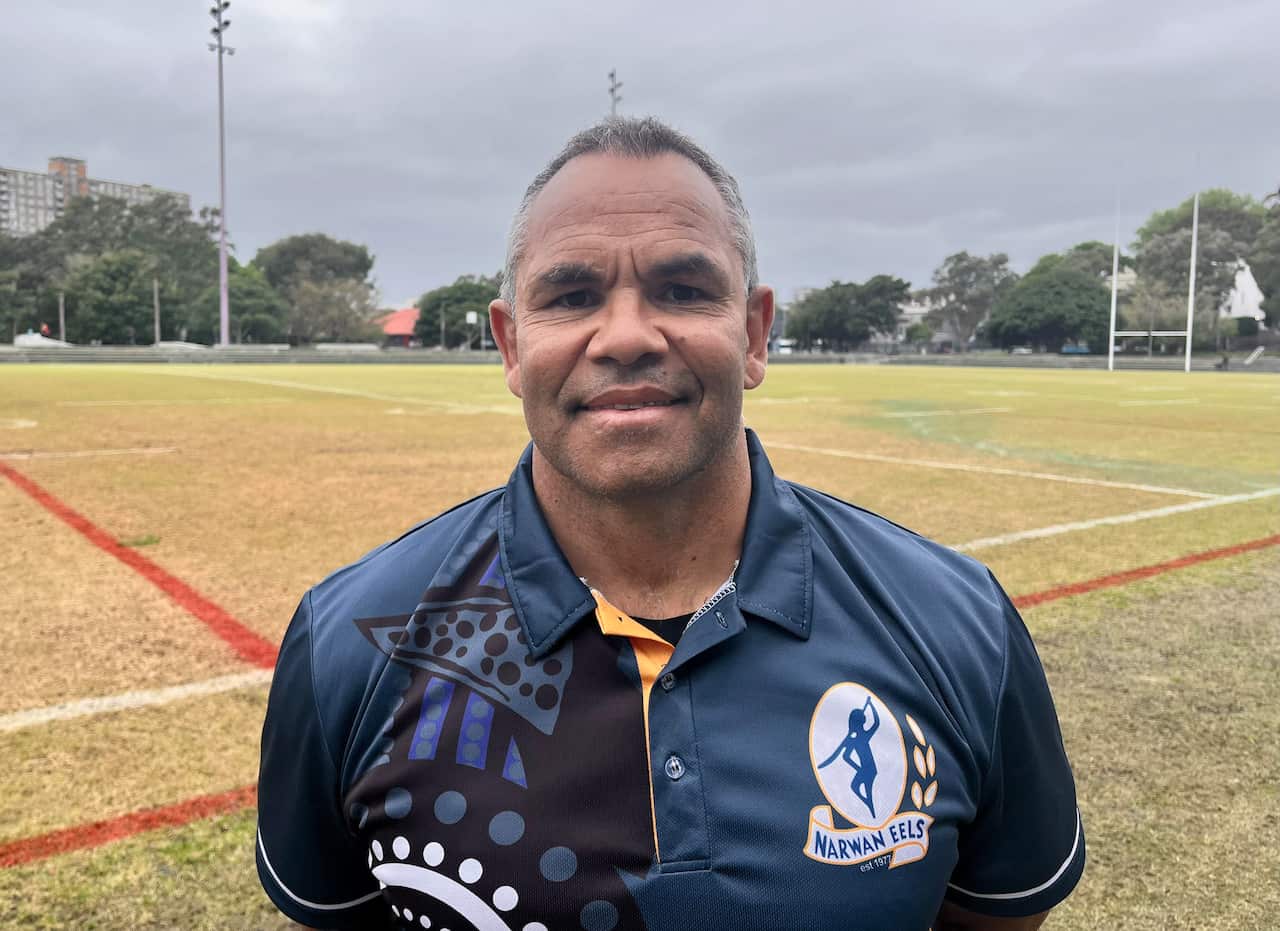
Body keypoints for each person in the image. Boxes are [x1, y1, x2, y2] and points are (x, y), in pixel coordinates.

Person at [257, 117, 1084, 931]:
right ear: (510, 346)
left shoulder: (959, 620)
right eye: (572, 294)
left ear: (755, 333)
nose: (624, 335)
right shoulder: (351, 643)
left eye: (683, 290)